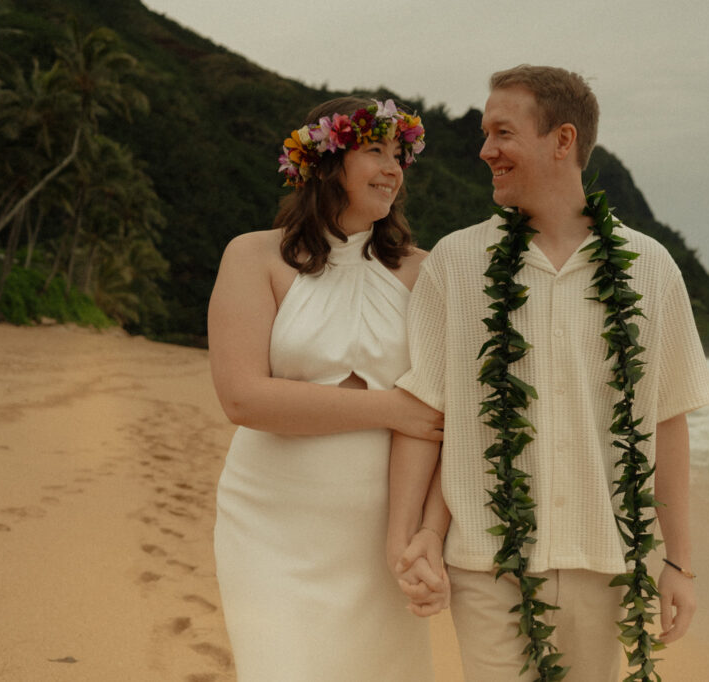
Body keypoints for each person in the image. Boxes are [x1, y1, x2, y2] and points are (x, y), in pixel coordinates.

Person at [387, 65, 709, 681]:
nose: (485, 149)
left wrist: (680, 563)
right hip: (486, 562)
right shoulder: (456, 263)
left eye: (502, 132)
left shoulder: (650, 268)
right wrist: (415, 537)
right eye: (486, 133)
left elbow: (666, 423)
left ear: (562, 140)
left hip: (606, 560)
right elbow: (427, 414)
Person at [209, 96, 442, 681]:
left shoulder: (425, 271)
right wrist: (391, 407)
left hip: (382, 525)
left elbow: (438, 418)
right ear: (326, 161)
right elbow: (242, 398)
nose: (392, 167)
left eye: (399, 155)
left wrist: (417, 534)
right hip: (270, 522)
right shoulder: (254, 255)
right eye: (374, 150)